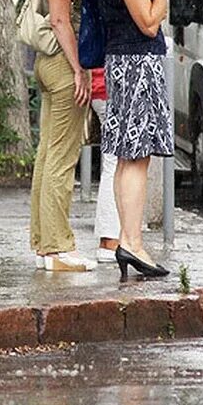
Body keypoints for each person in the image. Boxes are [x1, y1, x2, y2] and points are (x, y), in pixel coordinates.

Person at [94, 0, 178, 281]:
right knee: (137, 155)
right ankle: (132, 241)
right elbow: (148, 22)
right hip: (136, 65)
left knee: (128, 156)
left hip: (121, 62)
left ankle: (129, 239)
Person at [28, 0, 97, 272]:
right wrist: (78, 70)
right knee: (62, 156)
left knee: (47, 154)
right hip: (59, 65)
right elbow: (59, 20)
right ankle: (58, 248)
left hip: (45, 65)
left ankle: (44, 244)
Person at [90, 68, 120, 263]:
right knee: (118, 163)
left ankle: (110, 238)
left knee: (114, 161)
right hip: (111, 85)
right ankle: (110, 239)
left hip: (102, 85)